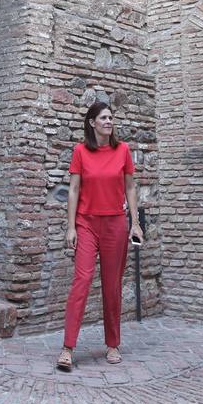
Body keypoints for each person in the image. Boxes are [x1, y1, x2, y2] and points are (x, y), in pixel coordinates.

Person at [57, 102, 143, 372]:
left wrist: (135, 223)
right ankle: (68, 347)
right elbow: (73, 190)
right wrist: (70, 226)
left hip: (115, 225)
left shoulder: (123, 150)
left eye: (111, 117)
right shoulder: (80, 151)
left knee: (112, 285)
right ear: (92, 123)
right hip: (86, 223)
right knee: (81, 281)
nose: (109, 121)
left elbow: (130, 187)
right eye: (104, 117)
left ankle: (113, 343)